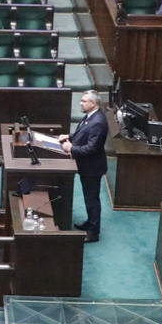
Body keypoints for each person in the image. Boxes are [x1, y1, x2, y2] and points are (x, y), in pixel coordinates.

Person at [59, 90, 107, 243]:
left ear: (93, 103)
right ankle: (90, 222)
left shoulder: (98, 122)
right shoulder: (90, 116)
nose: (81, 103)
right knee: (89, 198)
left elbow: (91, 148)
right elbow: (82, 133)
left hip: (92, 168)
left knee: (92, 199)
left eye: (84, 101)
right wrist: (68, 137)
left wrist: (71, 148)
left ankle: (93, 232)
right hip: (86, 166)